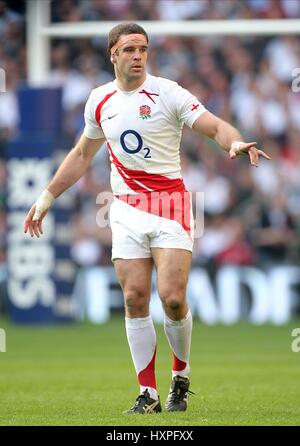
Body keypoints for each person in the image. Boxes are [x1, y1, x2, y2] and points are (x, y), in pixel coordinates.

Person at [24, 23, 271, 414]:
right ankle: (148, 394)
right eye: (129, 50)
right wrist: (47, 195)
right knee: (134, 298)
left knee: (172, 300)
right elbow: (82, 154)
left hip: (171, 206)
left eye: (143, 49)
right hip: (123, 208)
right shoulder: (100, 100)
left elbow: (215, 126)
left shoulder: (167, 93)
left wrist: (235, 141)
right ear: (113, 55)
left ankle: (181, 374)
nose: (138, 56)